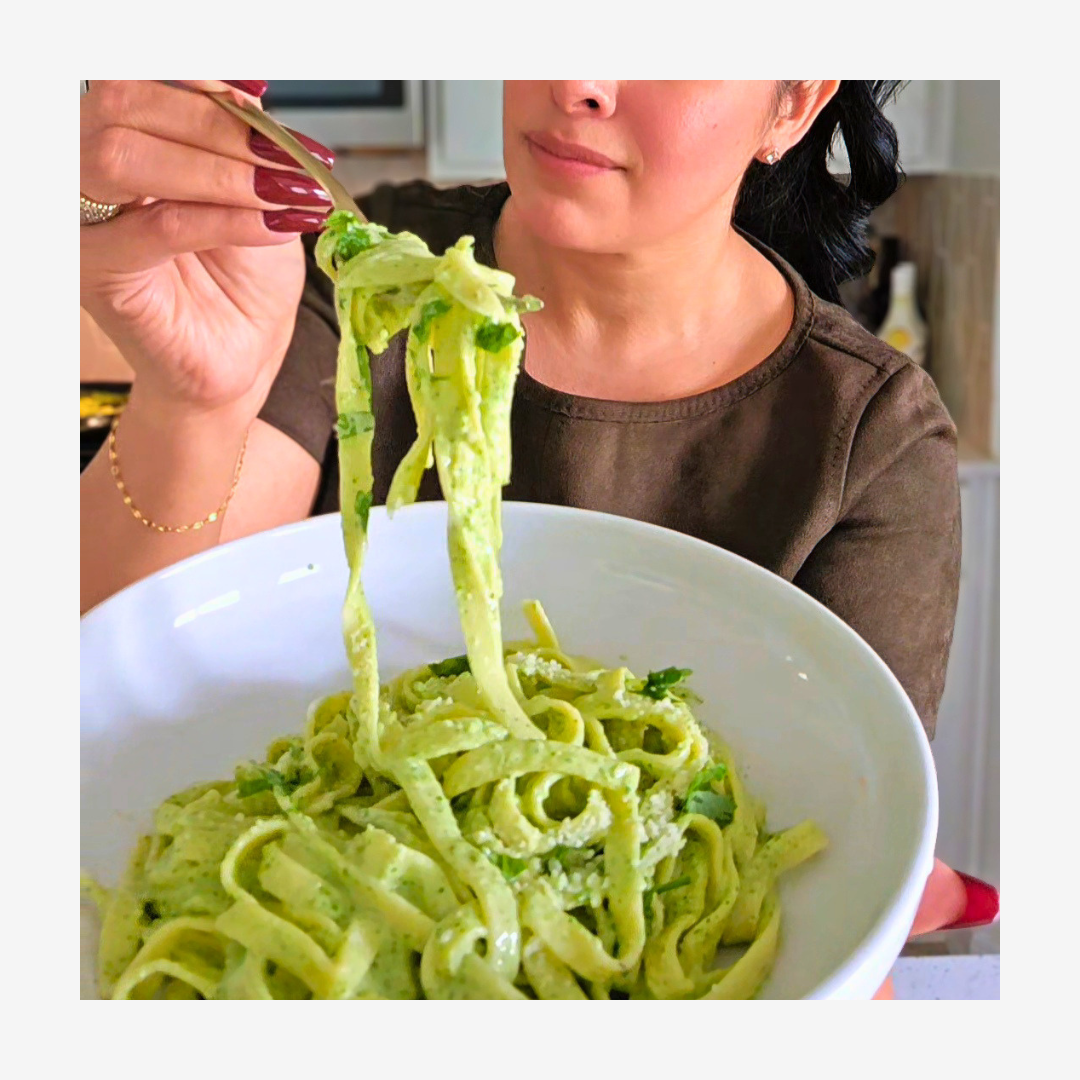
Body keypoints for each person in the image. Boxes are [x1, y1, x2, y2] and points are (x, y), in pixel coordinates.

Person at [79, 80, 998, 994]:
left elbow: (839, 897)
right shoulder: (368, 270)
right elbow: (123, 691)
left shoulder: (871, 435)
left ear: (794, 103)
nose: (578, 81)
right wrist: (199, 403)